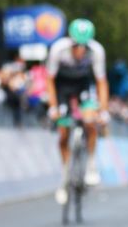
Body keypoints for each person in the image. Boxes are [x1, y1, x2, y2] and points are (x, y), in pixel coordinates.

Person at [46, 18, 110, 199]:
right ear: (70, 40)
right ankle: (65, 176)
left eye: (84, 45)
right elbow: (49, 80)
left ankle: (91, 164)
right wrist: (53, 107)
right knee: (64, 132)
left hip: (83, 85)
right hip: (63, 87)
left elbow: (101, 82)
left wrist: (103, 111)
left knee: (90, 121)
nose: (80, 50)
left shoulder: (96, 51)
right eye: (76, 45)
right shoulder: (58, 49)